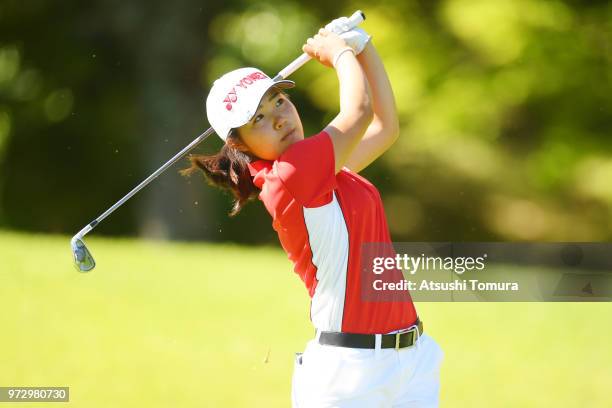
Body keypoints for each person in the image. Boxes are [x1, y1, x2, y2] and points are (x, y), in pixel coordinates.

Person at [181, 17, 444, 408]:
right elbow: (358, 110)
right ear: (241, 144)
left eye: (279, 102)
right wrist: (339, 53)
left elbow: (385, 126)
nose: (280, 118)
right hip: (351, 374)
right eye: (259, 120)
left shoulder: (321, 171)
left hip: (411, 360)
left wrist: (362, 45)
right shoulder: (291, 174)